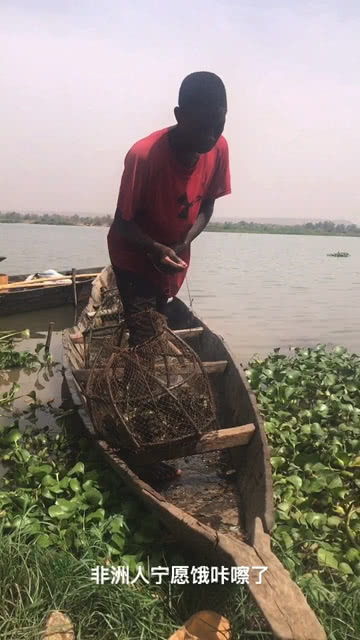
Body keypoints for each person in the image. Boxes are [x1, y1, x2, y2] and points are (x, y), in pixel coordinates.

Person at [107, 71, 231, 481]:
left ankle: (131, 393)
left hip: (171, 259)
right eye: (202, 125)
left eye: (220, 123)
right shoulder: (143, 156)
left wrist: (177, 248)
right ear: (179, 115)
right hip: (133, 257)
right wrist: (155, 249)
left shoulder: (218, 147)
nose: (211, 135)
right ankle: (142, 449)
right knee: (147, 342)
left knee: (151, 334)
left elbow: (208, 208)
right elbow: (122, 225)